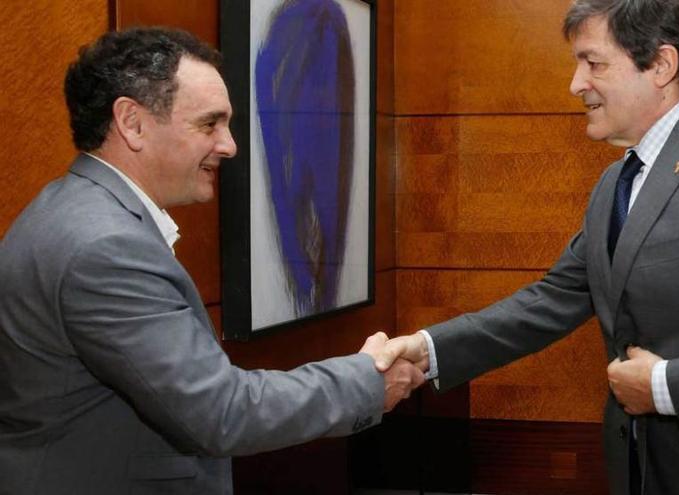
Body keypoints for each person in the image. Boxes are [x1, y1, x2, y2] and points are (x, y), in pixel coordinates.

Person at [375, 1, 679, 494]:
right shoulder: (616, 181)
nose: (575, 84)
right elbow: (551, 300)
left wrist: (667, 386)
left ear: (661, 65)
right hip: (639, 469)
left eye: (594, 63)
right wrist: (427, 350)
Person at [0, 27, 424, 494]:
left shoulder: (76, 210)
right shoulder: (104, 246)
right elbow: (221, 412)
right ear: (132, 122)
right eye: (209, 124)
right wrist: (364, 382)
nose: (230, 145)